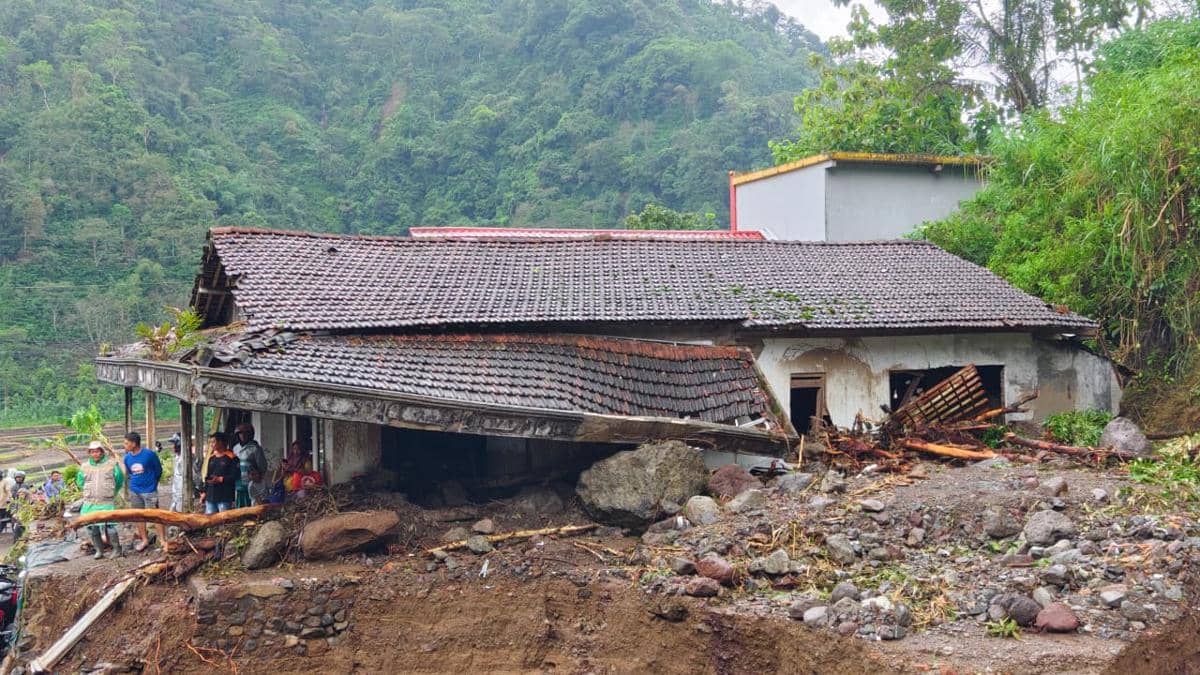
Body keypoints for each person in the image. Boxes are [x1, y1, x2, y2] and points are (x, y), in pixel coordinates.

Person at [76, 440, 124, 559]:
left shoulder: (112, 464)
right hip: (90, 503)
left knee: (110, 527)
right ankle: (99, 550)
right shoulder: (84, 466)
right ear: (89, 453)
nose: (95, 454)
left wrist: (111, 492)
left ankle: (117, 550)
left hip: (106, 502)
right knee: (92, 527)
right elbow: (80, 482)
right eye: (92, 452)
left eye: (97, 451)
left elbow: (119, 480)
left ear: (102, 452)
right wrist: (90, 492)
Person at [121, 432, 167, 552]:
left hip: (149, 490)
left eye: (126, 443)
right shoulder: (127, 458)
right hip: (135, 490)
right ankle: (144, 540)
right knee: (139, 516)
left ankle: (162, 540)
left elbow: (158, 470)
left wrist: (153, 484)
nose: (124, 445)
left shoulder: (149, 455)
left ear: (134, 444)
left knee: (155, 515)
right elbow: (130, 473)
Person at [232, 423, 268, 509]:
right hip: (239, 481)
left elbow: (262, 466)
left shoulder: (255, 448)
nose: (243, 435)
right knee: (240, 503)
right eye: (240, 433)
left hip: (252, 481)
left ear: (250, 434)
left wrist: (258, 478)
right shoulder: (235, 448)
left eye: (246, 433)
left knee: (252, 503)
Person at [203, 432, 240, 514]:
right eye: (210, 442)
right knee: (209, 521)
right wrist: (204, 492)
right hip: (211, 495)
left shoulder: (232, 457)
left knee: (223, 521)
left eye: (213, 442)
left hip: (225, 496)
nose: (211, 445)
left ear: (221, 442)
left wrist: (221, 479)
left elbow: (236, 475)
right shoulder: (212, 457)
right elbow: (208, 475)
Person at [166, 433, 186, 512]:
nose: (173, 446)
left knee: (180, 513)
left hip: (183, 492)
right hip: (176, 492)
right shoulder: (177, 457)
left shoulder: (185, 458)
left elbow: (194, 476)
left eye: (174, 444)